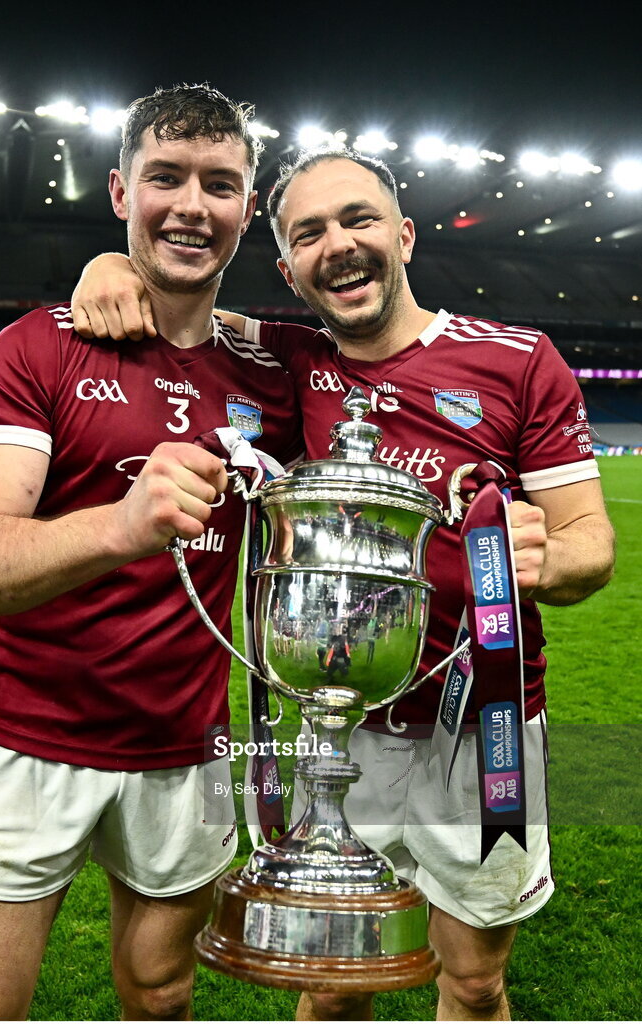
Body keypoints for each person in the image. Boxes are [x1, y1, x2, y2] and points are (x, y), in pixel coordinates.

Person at [71, 148, 615, 1021]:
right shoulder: (281, 359)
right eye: (308, 233)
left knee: (472, 979)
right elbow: (179, 310)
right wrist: (110, 265)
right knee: (330, 981)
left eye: (358, 219)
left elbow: (591, 540)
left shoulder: (518, 361)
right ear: (287, 269)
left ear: (401, 234)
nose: (339, 245)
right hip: (336, 723)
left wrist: (549, 561)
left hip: (482, 723)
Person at [0, 84, 301, 1021]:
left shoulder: (276, 371)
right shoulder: (35, 349)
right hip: (25, 744)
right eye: (163, 178)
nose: (190, 205)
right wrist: (122, 525)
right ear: (118, 191)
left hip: (188, 753)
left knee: (163, 996)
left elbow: (386, 349)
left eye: (219, 184)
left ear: (247, 208)